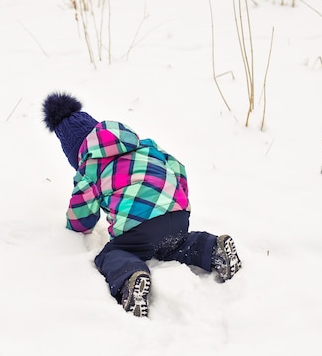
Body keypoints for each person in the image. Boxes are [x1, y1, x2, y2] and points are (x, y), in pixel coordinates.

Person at [42, 92, 242, 317]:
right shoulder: (145, 146)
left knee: (113, 253)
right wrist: (176, 200)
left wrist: (74, 226)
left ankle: (130, 278)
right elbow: (178, 168)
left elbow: (82, 217)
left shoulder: (89, 168)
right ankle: (213, 248)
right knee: (176, 245)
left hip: (139, 227)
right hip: (177, 214)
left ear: (76, 154)